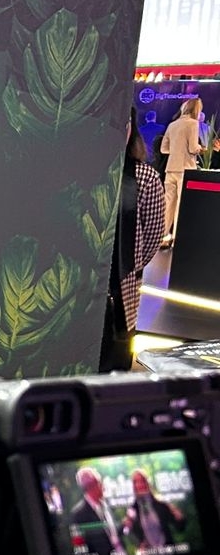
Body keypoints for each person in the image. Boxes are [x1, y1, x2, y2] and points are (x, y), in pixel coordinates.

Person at [100, 121, 166, 369]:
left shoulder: (145, 177)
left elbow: (152, 236)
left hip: (119, 288)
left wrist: (131, 263)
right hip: (77, 285)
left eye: (125, 123)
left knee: (114, 357)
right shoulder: (83, 171)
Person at [161, 98, 203, 246]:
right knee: (181, 204)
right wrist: (201, 149)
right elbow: (193, 148)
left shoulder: (172, 125)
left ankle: (162, 236)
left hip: (170, 168)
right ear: (196, 109)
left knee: (168, 204)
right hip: (185, 169)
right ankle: (177, 239)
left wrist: (176, 150)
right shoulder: (193, 124)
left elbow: (163, 149)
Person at [122, 468, 185, 555]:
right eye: (136, 482)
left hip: (167, 553)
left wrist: (179, 517)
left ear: (147, 483)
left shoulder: (161, 504)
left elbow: (179, 528)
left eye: (142, 481)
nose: (139, 485)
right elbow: (127, 533)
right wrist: (139, 544)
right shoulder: (133, 509)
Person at [68, 466, 125, 555]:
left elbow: (112, 534)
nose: (102, 485)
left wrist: (124, 524)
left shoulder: (105, 504)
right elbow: (81, 549)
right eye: (99, 481)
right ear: (91, 486)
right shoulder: (79, 514)